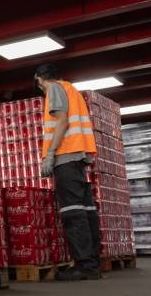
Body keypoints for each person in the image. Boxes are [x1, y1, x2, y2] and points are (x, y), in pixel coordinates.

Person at [34, 63, 102, 281]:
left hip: (66, 156)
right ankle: (92, 262)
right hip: (78, 157)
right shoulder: (72, 89)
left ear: (40, 79)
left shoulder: (54, 88)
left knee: (72, 212)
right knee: (86, 210)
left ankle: (85, 265)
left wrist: (51, 154)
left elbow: (62, 121)